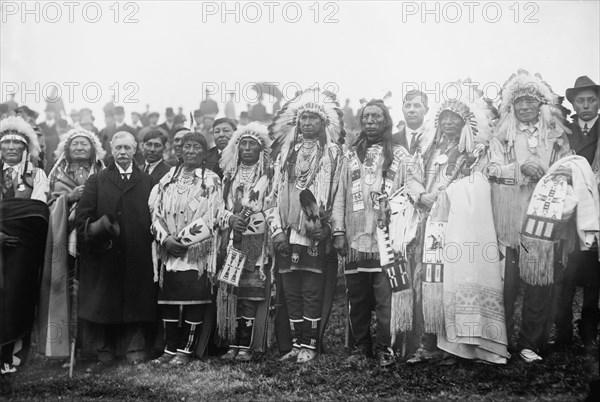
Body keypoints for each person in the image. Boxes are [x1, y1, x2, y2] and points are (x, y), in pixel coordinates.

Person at [488, 69, 571, 363]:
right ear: (512, 106)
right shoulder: (502, 135)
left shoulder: (556, 136)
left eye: (530, 101)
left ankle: (530, 343)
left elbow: (568, 169)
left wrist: (549, 175)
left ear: (541, 105)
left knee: (538, 282)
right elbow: (492, 170)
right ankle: (500, 340)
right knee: (505, 285)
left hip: (543, 220)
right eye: (519, 102)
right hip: (510, 220)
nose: (525, 107)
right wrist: (519, 169)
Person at [342, 99, 424, 368]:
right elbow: (339, 197)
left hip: (387, 240)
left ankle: (383, 349)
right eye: (366, 117)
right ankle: (361, 347)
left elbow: (412, 187)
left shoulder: (400, 155)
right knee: (358, 298)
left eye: (376, 117)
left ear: (386, 122)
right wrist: (338, 231)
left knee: (386, 297)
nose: (370, 122)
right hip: (356, 240)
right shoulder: (350, 155)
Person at [268, 88, 347, 363]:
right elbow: (273, 196)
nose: (308, 123)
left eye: (313, 118)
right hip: (289, 232)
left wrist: (331, 229)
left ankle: (310, 345)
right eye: (304, 118)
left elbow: (339, 196)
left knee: (312, 289)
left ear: (323, 123)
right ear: (297, 123)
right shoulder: (287, 153)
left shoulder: (334, 154)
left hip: (314, 232)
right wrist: (277, 229)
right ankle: (295, 343)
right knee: (290, 289)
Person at [75, 131, 157, 368]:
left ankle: (136, 348)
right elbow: (82, 219)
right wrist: (96, 233)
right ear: (111, 150)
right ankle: (106, 350)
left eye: (127, 148)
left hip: (138, 254)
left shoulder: (148, 182)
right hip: (106, 254)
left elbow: (156, 216)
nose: (123, 153)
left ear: (135, 150)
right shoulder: (97, 180)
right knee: (106, 303)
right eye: (118, 148)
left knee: (137, 300)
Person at [148, 132, 222, 365]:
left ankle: (186, 350)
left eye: (196, 147)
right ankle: (170, 349)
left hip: (196, 251)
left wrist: (183, 241)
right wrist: (165, 239)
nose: (190, 151)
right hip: (169, 250)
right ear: (179, 151)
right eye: (186, 147)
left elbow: (213, 215)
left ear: (204, 153)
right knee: (169, 300)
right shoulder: (168, 179)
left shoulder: (211, 180)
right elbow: (154, 212)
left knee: (193, 300)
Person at [38, 128, 105, 359]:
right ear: (66, 148)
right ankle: (66, 346)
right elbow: (46, 205)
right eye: (74, 143)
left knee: (92, 288)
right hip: (64, 238)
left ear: (93, 148)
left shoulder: (102, 170)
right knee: (65, 288)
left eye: (84, 144)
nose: (79, 147)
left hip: (93, 238)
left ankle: (91, 345)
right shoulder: (56, 173)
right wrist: (68, 198)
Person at [217, 122, 274, 362]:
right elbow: (218, 208)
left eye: (253, 144)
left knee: (251, 294)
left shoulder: (269, 177)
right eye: (243, 144)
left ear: (262, 150)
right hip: (232, 240)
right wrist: (230, 219)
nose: (248, 149)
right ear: (236, 149)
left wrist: (253, 222)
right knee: (232, 293)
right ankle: (232, 343)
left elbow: (272, 206)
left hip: (257, 243)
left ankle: (246, 345)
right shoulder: (228, 176)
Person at [1, 116, 49, 375]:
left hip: (23, 246)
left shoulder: (37, 175)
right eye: (5, 143)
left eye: (15, 143)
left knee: (18, 296)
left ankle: (14, 354)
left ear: (25, 148)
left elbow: (37, 211)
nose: (10, 148)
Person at [556, 76, 600, 350]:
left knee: (595, 273)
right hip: (569, 210)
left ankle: (588, 332)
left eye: (591, 100)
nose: (586, 105)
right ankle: (562, 335)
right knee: (566, 273)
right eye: (580, 100)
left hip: (596, 208)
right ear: (573, 103)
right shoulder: (566, 132)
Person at [392, 90, 431, 155]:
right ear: (403, 109)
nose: (411, 110)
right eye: (407, 106)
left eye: (417, 106)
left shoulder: (432, 140)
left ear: (426, 110)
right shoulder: (391, 140)